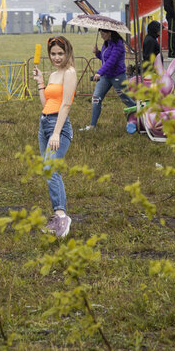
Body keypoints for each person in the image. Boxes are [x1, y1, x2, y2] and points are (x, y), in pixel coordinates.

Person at [32, 36, 77, 238]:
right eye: (53, 54)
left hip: (59, 126)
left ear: (67, 53)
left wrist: (57, 132)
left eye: (60, 53)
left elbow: (66, 104)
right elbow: (46, 103)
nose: (57, 57)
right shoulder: (53, 75)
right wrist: (41, 82)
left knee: (51, 169)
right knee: (48, 169)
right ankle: (58, 215)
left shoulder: (70, 73)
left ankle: (61, 216)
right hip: (45, 124)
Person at [82, 29, 136, 131]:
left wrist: (99, 72)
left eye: (103, 34)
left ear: (109, 33)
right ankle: (92, 126)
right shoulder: (106, 43)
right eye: (100, 34)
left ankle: (140, 115)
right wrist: (97, 53)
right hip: (106, 77)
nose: (101, 36)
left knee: (126, 99)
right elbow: (105, 58)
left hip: (118, 77)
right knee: (96, 98)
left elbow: (111, 61)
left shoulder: (119, 44)